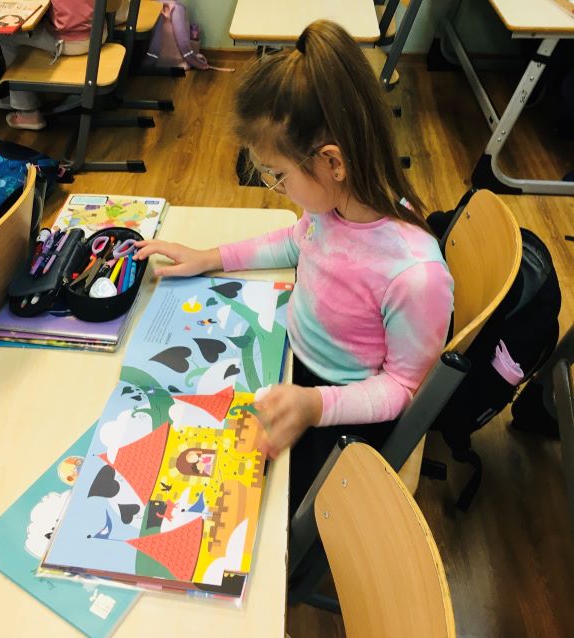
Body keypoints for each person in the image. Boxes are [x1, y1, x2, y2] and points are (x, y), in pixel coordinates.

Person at [133, 20, 454, 515]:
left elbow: (403, 390)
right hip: (292, 364)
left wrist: (314, 406)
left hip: (341, 414)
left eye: (278, 175)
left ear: (333, 163)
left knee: (247, 509)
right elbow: (295, 240)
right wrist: (209, 257)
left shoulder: (416, 276)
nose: (277, 188)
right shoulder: (335, 206)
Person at [0, 0, 107, 131]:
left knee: (7, 36)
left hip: (73, 41)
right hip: (98, 31)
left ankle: (27, 110)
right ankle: (18, 95)